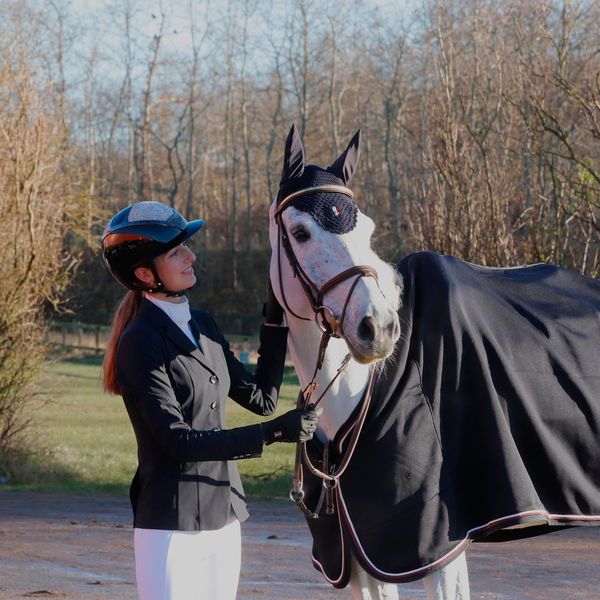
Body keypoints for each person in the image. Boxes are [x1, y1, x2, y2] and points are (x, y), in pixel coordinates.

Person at [101, 201, 320, 600]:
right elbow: (178, 443)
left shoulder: (202, 324)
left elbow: (261, 399)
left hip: (226, 515)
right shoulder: (139, 342)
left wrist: (274, 322)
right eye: (176, 252)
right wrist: (272, 433)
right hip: (170, 524)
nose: (191, 255)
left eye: (186, 247)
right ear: (145, 274)